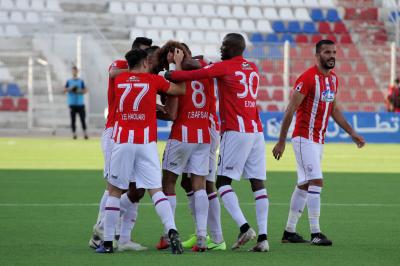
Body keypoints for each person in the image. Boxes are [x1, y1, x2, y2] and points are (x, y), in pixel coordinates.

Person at [166, 33, 270, 252]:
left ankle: (244, 227)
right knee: (257, 183)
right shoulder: (252, 68)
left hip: (236, 130)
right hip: (257, 130)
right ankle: (263, 238)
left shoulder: (225, 67)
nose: (221, 48)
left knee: (222, 182)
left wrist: (171, 71)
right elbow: (204, 66)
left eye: (224, 46)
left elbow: (194, 73)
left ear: (233, 48)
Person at [272, 40, 366, 246]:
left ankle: (289, 231)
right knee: (316, 181)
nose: (331, 55)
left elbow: (333, 110)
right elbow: (290, 110)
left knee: (304, 184)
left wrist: (352, 133)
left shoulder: (333, 79)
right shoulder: (307, 78)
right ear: (317, 55)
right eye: (326, 52)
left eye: (334, 52)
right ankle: (316, 232)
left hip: (318, 140)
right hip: (303, 137)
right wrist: (281, 141)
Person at [95, 48, 186, 254]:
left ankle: (108, 242)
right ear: (145, 62)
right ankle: (171, 230)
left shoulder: (119, 80)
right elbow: (180, 90)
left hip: (123, 141)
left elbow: (114, 74)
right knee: (156, 190)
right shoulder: (153, 81)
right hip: (146, 143)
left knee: (115, 191)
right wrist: (176, 66)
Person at [88, 37, 153, 251]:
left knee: (135, 189)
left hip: (133, 134)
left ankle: (123, 238)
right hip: (116, 132)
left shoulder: (143, 76)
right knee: (115, 185)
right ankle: (101, 231)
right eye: (146, 55)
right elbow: (113, 74)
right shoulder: (119, 65)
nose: (148, 60)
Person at [154, 41, 218, 252]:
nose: (165, 64)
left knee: (168, 182)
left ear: (174, 56)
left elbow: (172, 111)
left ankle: (167, 233)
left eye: (167, 59)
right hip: (203, 133)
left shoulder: (174, 76)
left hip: (182, 133)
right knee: (198, 184)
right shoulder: (204, 67)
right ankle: (201, 236)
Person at [64, 66, 88, 139]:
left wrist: (78, 91)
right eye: (73, 71)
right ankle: (74, 134)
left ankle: (85, 134)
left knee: (82, 119)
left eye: (75, 71)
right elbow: (64, 90)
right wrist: (71, 88)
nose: (74, 72)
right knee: (73, 120)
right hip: (72, 104)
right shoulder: (69, 81)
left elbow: (85, 90)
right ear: (72, 72)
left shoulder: (81, 81)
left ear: (77, 72)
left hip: (80, 103)